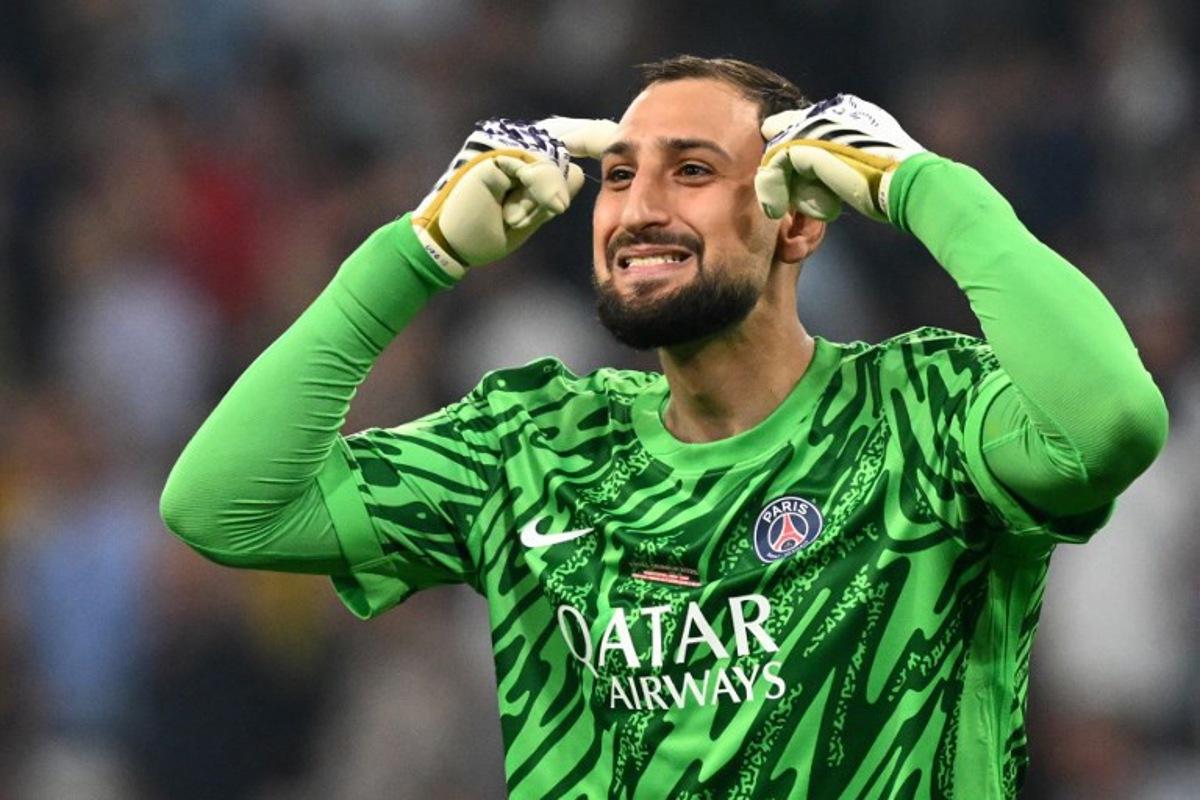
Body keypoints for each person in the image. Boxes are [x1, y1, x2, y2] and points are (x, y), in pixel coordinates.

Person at [160, 56, 1168, 799]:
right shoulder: (536, 444)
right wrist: (415, 253)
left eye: (690, 170)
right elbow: (225, 506)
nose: (636, 206)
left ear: (797, 219)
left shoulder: (922, 413)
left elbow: (1112, 421)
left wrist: (920, 184)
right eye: (617, 175)